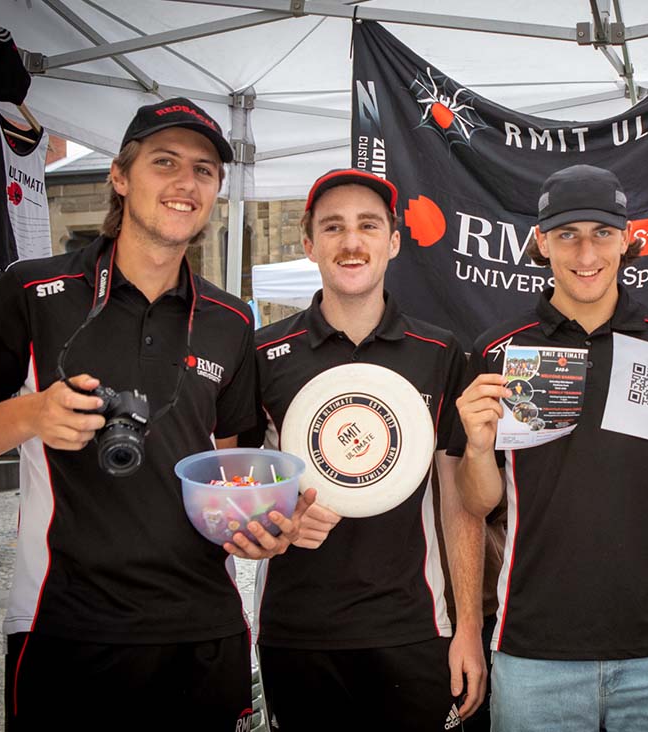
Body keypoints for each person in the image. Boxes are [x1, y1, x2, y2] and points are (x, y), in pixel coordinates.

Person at [0, 97, 327, 730]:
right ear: (119, 175)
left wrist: (263, 529)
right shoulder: (30, 292)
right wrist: (30, 415)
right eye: (164, 162)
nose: (185, 182)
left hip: (205, 630)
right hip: (65, 627)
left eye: (203, 170)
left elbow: (233, 471)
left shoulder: (228, 321)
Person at [453, 164, 648, 731]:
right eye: (567, 234)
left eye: (602, 232)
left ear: (627, 239)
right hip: (532, 648)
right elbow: (478, 505)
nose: (585, 251)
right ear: (541, 243)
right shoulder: (499, 348)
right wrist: (478, 449)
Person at [247, 169, 487, 730]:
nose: (351, 242)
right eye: (333, 227)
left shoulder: (441, 353)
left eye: (368, 226)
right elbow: (236, 480)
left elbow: (457, 498)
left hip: (415, 627)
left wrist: (469, 629)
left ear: (394, 241)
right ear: (309, 243)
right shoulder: (261, 354)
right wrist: (275, 515)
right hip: (297, 632)